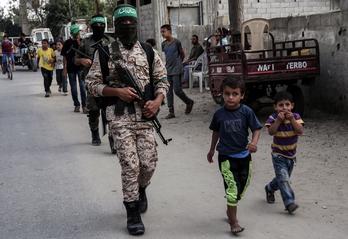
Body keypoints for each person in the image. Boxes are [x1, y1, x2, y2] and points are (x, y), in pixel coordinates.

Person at [85, 4, 169, 235]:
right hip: (119, 117)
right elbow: (91, 84)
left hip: (145, 115)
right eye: (123, 24)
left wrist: (158, 101)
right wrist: (117, 93)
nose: (128, 27)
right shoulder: (104, 52)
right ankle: (132, 213)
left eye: (131, 23)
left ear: (137, 24)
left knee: (148, 164)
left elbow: (162, 80)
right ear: (116, 26)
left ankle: (141, 189)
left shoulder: (148, 51)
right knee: (130, 165)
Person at [207, 77, 262, 235]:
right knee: (232, 190)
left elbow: (256, 129)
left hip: (244, 157)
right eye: (227, 93)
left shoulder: (247, 112)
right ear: (222, 94)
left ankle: (230, 209)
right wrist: (211, 150)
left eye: (235, 94)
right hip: (225, 158)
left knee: (241, 188)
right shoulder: (219, 114)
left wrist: (254, 143)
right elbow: (216, 132)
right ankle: (234, 222)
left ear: (242, 95)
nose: (231, 97)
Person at [75, 14, 113, 148]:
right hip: (92, 82)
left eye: (102, 26)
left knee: (111, 110)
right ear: (91, 27)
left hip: (110, 81)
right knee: (94, 110)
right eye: (96, 26)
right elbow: (76, 59)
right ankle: (95, 133)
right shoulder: (85, 42)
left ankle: (112, 136)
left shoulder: (111, 41)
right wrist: (82, 61)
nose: (99, 28)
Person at [264, 91, 304, 214]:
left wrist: (292, 119)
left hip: (291, 156)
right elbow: (271, 132)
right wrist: (278, 121)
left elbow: (300, 131)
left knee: (281, 179)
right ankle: (289, 202)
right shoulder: (273, 118)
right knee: (284, 179)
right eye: (281, 105)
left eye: (287, 105)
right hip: (278, 155)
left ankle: (269, 188)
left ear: (292, 106)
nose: (284, 108)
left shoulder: (296, 117)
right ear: (275, 107)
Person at [161, 24, 194, 119]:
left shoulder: (177, 42)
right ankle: (171, 112)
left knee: (177, 90)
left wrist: (179, 64)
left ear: (169, 31)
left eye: (164, 31)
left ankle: (189, 102)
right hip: (168, 69)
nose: (162, 33)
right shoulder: (163, 44)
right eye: (161, 32)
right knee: (168, 91)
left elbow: (182, 54)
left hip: (176, 69)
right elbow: (167, 55)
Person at [62, 24, 87, 113]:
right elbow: (64, 56)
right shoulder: (67, 43)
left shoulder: (82, 41)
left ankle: (84, 106)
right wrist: (64, 69)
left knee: (83, 87)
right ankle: (77, 104)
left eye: (77, 32)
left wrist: (79, 42)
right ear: (72, 33)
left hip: (80, 68)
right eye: (75, 33)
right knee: (73, 88)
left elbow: (85, 53)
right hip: (70, 68)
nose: (76, 34)